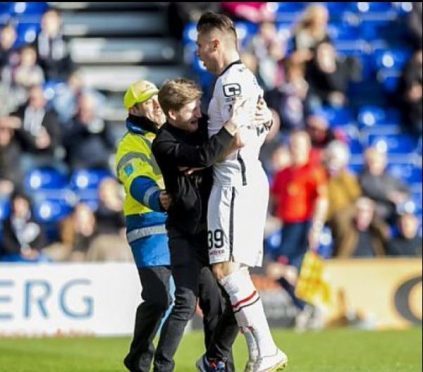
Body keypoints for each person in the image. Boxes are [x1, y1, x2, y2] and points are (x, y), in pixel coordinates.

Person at [196, 11, 287, 371]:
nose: (199, 54)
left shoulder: (230, 82)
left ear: (216, 43)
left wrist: (199, 159)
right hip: (244, 177)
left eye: (201, 46)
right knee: (232, 269)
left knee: (227, 269)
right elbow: (268, 122)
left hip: (235, 179)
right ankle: (260, 352)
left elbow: (236, 135)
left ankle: (266, 349)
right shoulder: (247, 79)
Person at [152, 78, 249, 372]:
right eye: (191, 109)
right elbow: (206, 154)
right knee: (184, 301)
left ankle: (217, 362)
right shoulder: (164, 143)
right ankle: (162, 367)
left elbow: (237, 142)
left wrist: (259, 116)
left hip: (212, 229)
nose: (198, 113)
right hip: (183, 232)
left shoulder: (205, 124)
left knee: (222, 303)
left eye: (199, 106)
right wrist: (221, 141)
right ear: (172, 114)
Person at [115, 80, 172, 372]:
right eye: (148, 101)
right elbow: (135, 180)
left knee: (180, 301)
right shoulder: (130, 143)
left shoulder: (171, 132)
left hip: (178, 222)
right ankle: (139, 360)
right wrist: (158, 198)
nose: (156, 104)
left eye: (157, 99)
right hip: (148, 225)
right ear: (134, 108)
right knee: (160, 298)